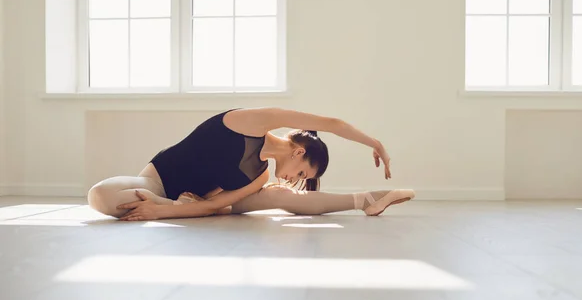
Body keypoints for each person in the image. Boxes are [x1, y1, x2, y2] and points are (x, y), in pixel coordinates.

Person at [87, 107, 415, 221]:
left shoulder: (260, 177)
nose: (294, 179)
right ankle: (170, 201)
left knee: (277, 196)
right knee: (100, 196)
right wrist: (374, 143)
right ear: (299, 152)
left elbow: (212, 207)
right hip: (158, 182)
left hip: (187, 203)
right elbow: (330, 122)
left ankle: (366, 200)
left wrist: (163, 211)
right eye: (301, 173)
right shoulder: (251, 122)